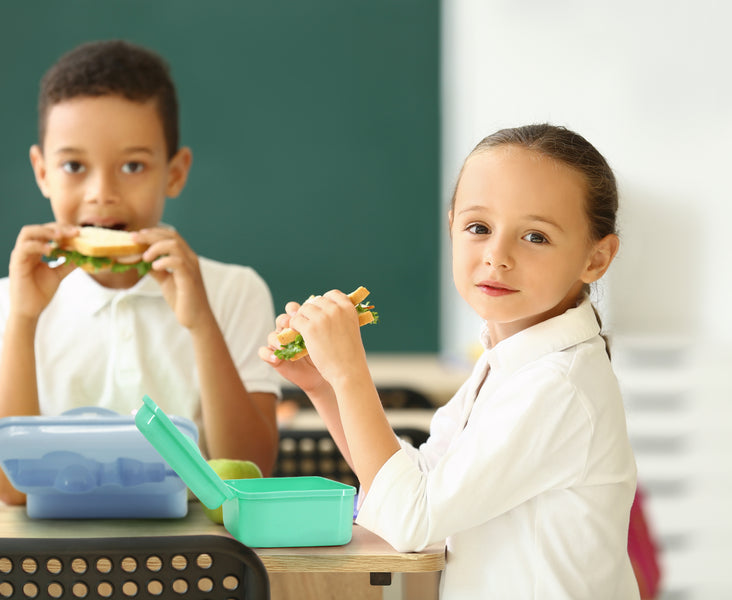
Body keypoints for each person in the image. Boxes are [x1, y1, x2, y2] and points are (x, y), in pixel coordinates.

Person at [261, 124, 639, 598]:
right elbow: (414, 487)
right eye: (478, 228)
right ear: (452, 226)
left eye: (535, 236)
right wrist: (324, 386)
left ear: (596, 258)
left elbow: (411, 520)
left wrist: (349, 372)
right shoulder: (507, 363)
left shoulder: (557, 384)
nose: (496, 256)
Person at [0, 40, 280, 505]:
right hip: (50, 565)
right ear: (42, 172)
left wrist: (201, 323)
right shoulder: (3, 302)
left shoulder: (235, 291)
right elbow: (10, 488)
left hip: (196, 564)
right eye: (74, 166)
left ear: (175, 173)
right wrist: (24, 319)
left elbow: (247, 473)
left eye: (132, 166)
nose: (102, 193)